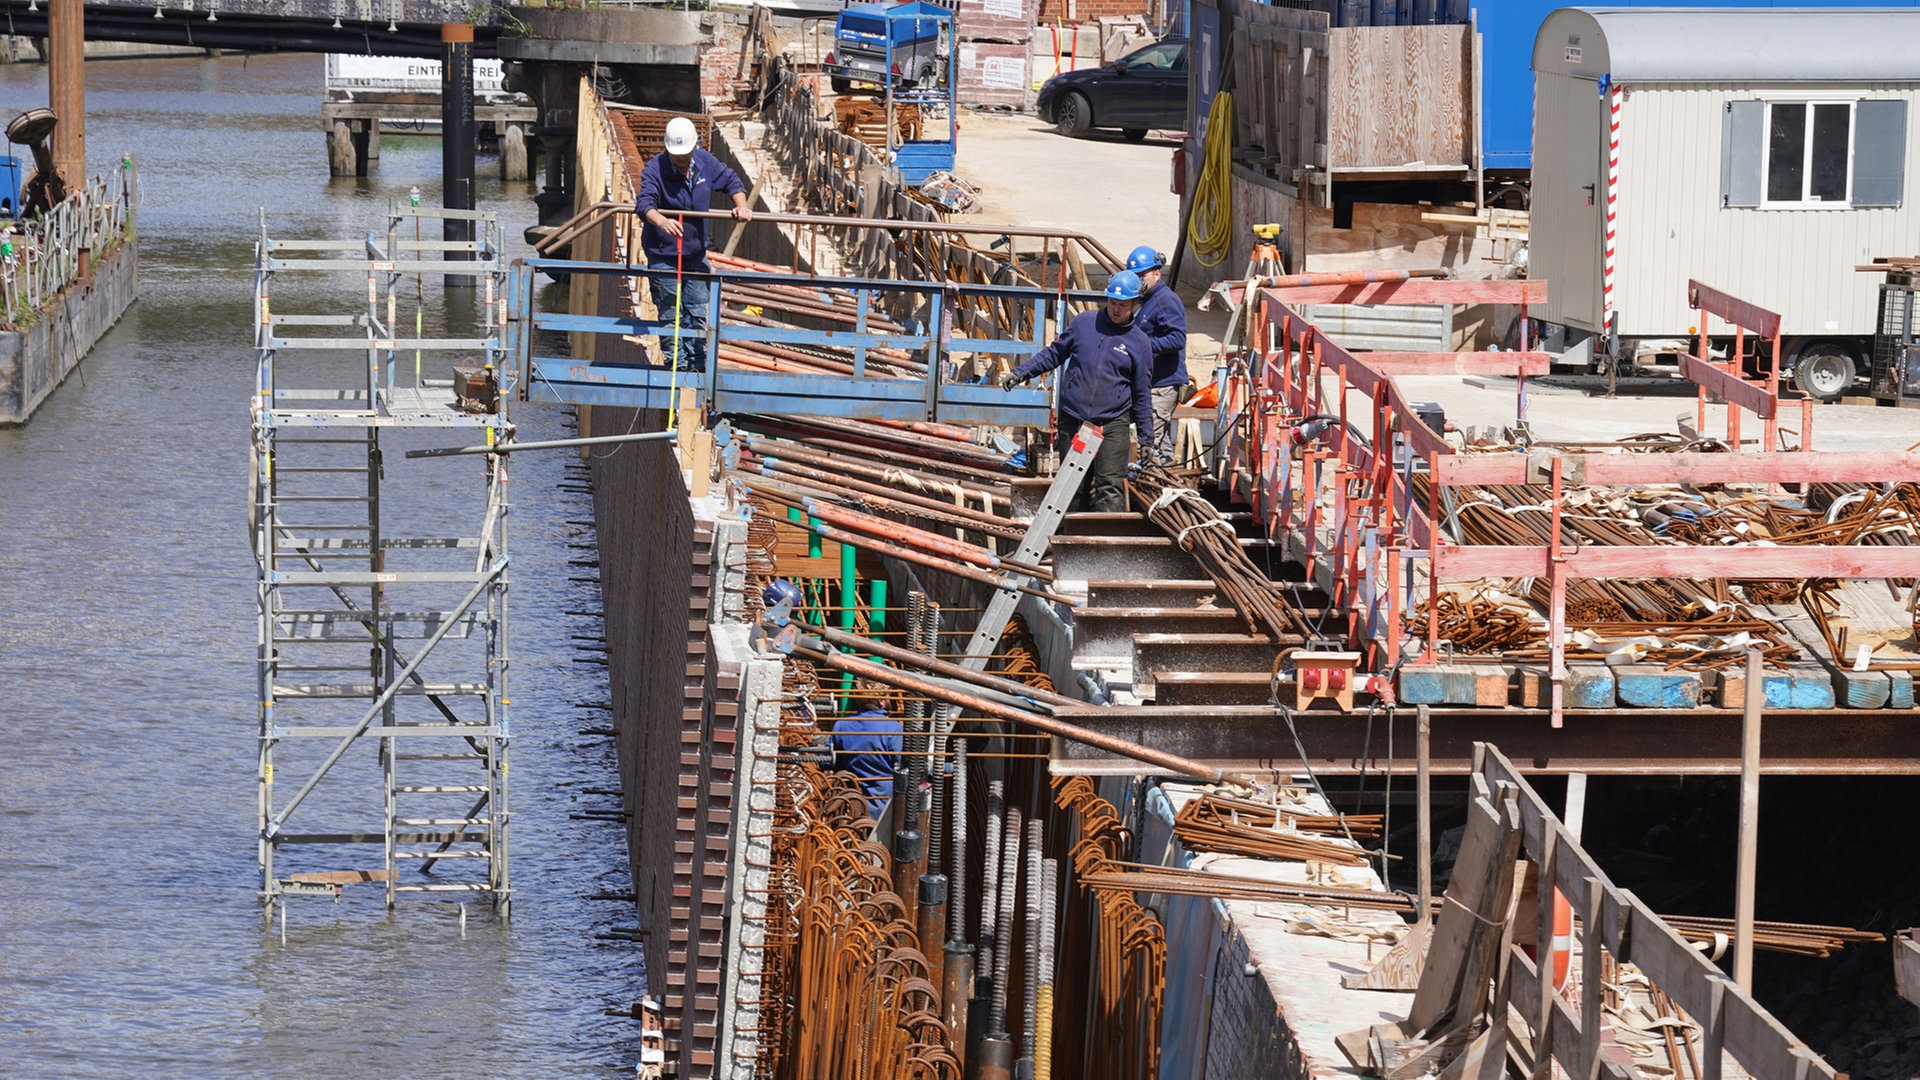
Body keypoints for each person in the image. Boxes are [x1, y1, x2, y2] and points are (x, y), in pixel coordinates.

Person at [1000, 270, 1154, 511]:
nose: (1115, 309)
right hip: (1074, 420)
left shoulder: (1139, 343)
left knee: (1109, 487)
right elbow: (1054, 353)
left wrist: (1146, 439)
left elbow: (1142, 393)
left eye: (1122, 305)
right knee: (1072, 486)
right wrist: (1021, 372)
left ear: (1135, 305)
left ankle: (1102, 547)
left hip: (1112, 424)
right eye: (1112, 302)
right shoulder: (1084, 323)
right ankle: (1068, 540)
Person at [633, 116, 753, 374]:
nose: (682, 160)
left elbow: (731, 181)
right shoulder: (655, 168)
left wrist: (741, 205)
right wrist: (661, 220)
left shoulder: (704, 162)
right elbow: (644, 204)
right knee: (670, 312)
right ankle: (676, 366)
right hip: (664, 254)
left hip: (695, 252)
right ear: (667, 149)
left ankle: (698, 367)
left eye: (686, 154)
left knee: (698, 309)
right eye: (677, 156)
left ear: (694, 148)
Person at [1127, 245, 1188, 466]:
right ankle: (1167, 488)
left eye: (1142, 276)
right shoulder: (1146, 301)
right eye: (1135, 277)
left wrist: (1143, 346)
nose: (1139, 281)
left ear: (1157, 273)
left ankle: (1153, 490)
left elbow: (1177, 339)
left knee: (1150, 440)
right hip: (1152, 383)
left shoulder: (1165, 300)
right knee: (1160, 447)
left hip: (1163, 384)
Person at [831, 679, 903, 820]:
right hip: (886, 809)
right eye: (888, 696)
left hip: (852, 807)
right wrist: (950, 768)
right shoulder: (893, 729)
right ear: (881, 701)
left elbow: (829, 763)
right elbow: (909, 767)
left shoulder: (841, 726)